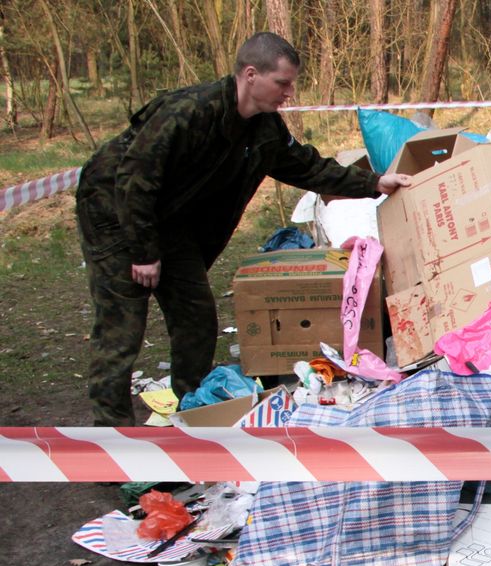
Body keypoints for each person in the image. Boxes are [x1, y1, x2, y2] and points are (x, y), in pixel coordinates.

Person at [76, 32, 412, 426]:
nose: (289, 93)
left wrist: (374, 184)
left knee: (196, 319)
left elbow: (306, 166)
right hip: (117, 214)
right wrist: (144, 253)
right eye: (282, 83)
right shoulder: (189, 112)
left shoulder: (264, 129)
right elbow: (135, 179)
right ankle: (111, 440)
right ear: (251, 75)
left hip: (174, 221)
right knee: (122, 331)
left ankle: (197, 411)